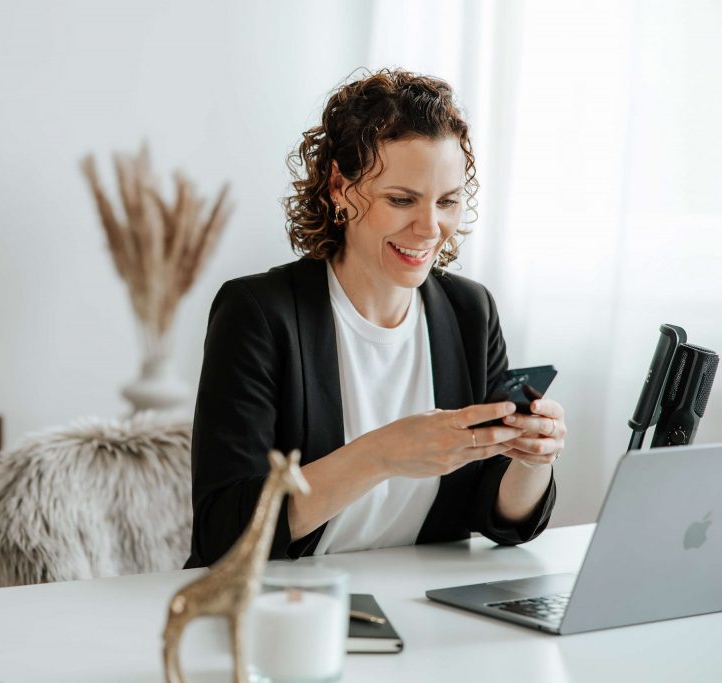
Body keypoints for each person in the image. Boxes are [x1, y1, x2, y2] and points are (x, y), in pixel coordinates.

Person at [186, 68, 565, 568]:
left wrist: (532, 459)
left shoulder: (470, 312)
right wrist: (382, 453)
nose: (430, 228)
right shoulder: (257, 313)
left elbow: (499, 519)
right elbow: (223, 534)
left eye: (448, 201)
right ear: (340, 188)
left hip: (416, 600)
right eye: (401, 200)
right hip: (283, 603)